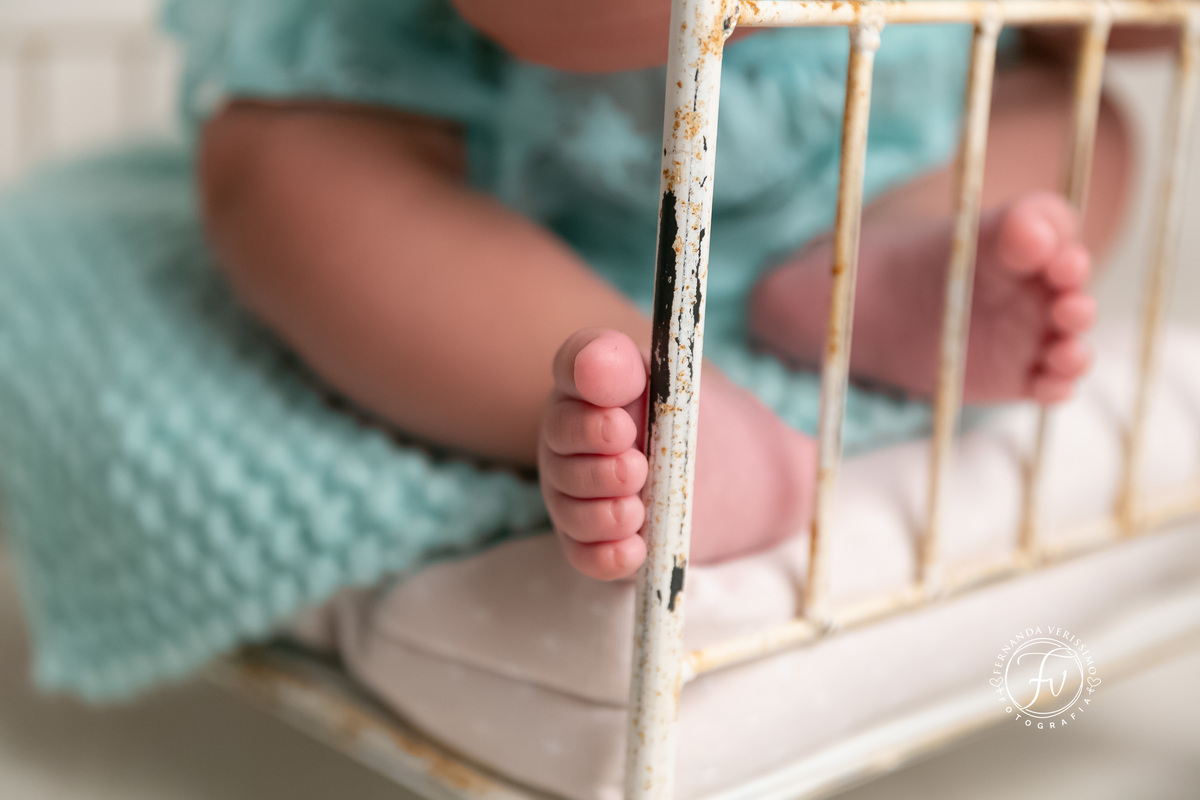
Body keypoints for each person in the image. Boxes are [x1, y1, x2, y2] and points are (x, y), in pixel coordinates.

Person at [185, 0, 1154, 584]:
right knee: (277, 171)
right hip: (520, 163)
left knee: (1081, 116)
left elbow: (1125, 27)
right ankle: (639, 387)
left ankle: (872, 271)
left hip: (872, 134)